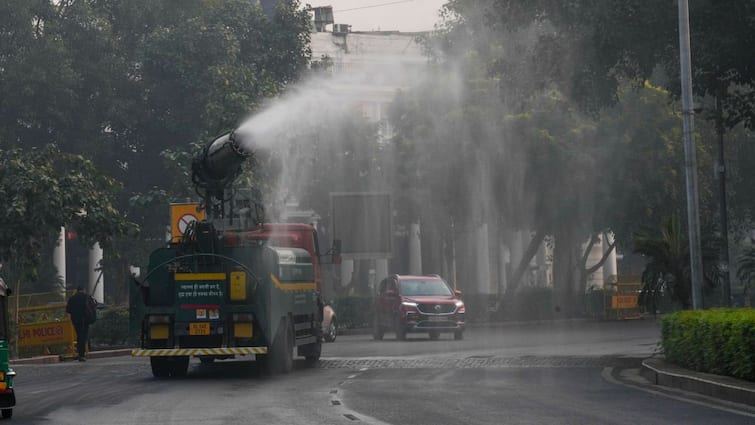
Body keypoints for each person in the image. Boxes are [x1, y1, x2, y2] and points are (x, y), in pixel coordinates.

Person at [66, 286, 95, 361]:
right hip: (86, 320)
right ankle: (83, 353)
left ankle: (81, 354)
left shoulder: (72, 298)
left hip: (76, 321)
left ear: (76, 290)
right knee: (84, 335)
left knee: (79, 336)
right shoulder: (87, 297)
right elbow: (94, 305)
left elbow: (68, 310)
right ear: (84, 290)